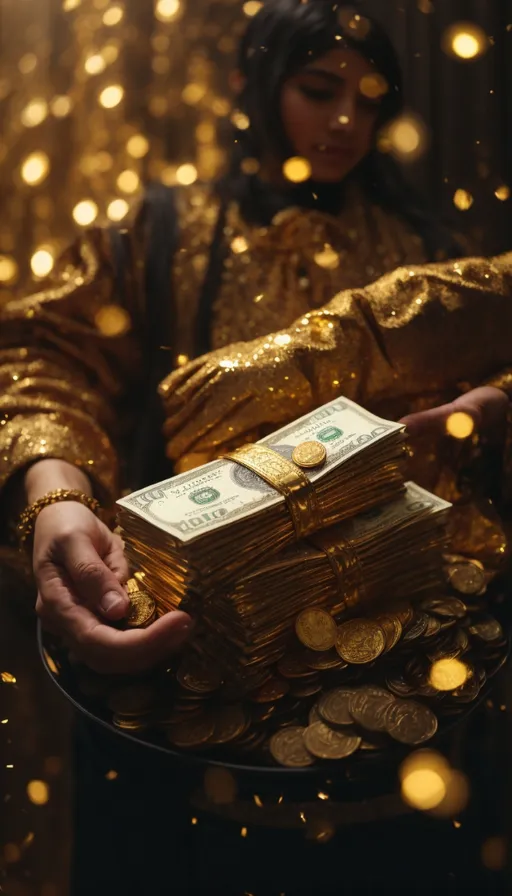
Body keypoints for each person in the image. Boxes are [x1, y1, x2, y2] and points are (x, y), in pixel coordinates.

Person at [0, 1, 511, 893]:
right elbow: (46, 356)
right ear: (255, 86)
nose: (347, 120)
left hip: (394, 686)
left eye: (369, 97)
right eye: (319, 90)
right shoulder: (159, 233)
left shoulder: (428, 250)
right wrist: (56, 492)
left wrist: (488, 406)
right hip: (185, 672)